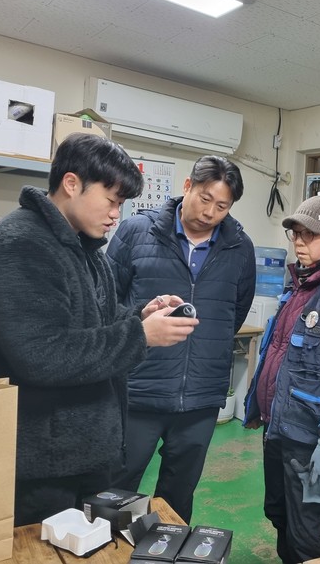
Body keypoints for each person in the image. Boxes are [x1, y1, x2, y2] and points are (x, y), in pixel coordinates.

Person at [0, 133, 198, 526]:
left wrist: (139, 316)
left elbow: (95, 324)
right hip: (38, 466)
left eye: (121, 204)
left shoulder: (85, 249)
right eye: (111, 200)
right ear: (71, 184)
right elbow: (43, 355)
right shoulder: (20, 246)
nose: (116, 215)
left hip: (83, 455)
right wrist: (141, 336)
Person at [107, 155, 255, 523]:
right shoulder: (136, 232)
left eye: (222, 206)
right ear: (187, 186)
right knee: (116, 488)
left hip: (201, 398)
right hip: (139, 389)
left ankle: (166, 548)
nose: (210, 213)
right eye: (205, 199)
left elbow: (235, 312)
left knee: (177, 495)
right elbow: (108, 302)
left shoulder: (240, 247)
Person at [244, 195, 320, 564]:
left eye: (309, 234)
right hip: (278, 428)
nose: (299, 242)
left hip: (312, 440)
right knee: (279, 514)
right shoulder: (300, 284)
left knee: (309, 531)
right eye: (296, 234)